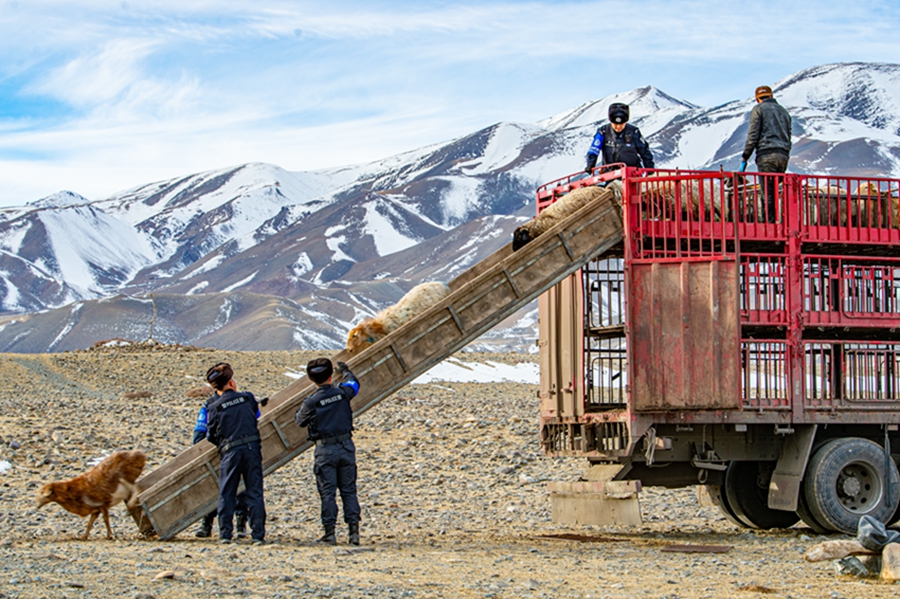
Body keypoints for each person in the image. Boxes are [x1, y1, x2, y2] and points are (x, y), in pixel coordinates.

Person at [294, 358, 361, 545]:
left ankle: (330, 533)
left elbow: (299, 421)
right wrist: (346, 371)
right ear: (331, 376)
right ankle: (354, 534)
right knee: (349, 490)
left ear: (311, 379)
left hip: (325, 450)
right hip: (346, 446)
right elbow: (354, 383)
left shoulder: (312, 401)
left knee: (327, 493)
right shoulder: (343, 392)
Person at [205, 362, 267, 544]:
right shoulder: (247, 398)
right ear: (231, 382)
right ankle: (257, 535)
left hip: (230, 451)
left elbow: (210, 435)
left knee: (227, 492)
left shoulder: (214, 407)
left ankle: (225, 534)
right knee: (254, 492)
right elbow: (256, 416)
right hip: (251, 449)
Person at [192, 395, 250, 539]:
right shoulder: (210, 404)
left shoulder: (239, 400)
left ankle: (240, 523)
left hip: (233, 448)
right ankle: (207, 523)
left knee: (239, 486)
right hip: (218, 449)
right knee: (212, 486)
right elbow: (200, 430)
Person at [741, 85, 792, 222]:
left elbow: (753, 135)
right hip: (783, 156)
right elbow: (789, 135)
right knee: (776, 190)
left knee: (767, 192)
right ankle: (780, 221)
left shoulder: (758, 109)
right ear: (771, 96)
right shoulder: (784, 112)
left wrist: (746, 156)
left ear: (757, 99)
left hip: (766, 155)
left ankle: (769, 225)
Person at [585, 102, 655, 172]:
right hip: (610, 174)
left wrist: (650, 170)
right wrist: (590, 164)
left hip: (632, 174)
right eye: (615, 124)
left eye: (621, 124)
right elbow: (594, 150)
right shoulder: (603, 132)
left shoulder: (634, 132)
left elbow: (645, 152)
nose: (618, 127)